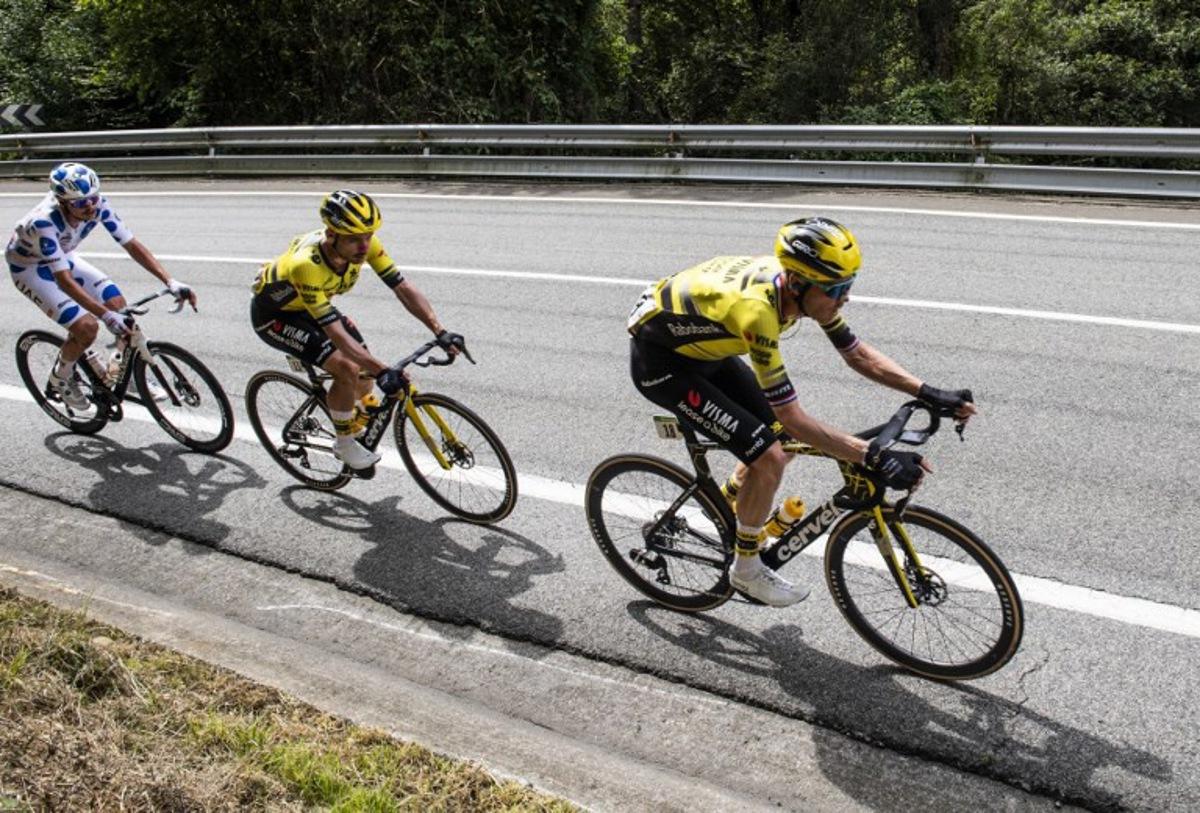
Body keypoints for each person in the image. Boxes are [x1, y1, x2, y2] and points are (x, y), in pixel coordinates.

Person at [627, 216, 976, 607]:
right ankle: (746, 570)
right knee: (771, 456)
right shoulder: (758, 313)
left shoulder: (797, 288)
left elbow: (858, 355)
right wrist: (872, 456)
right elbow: (793, 417)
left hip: (704, 350)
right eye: (837, 289)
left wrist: (928, 392)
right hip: (663, 365)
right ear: (797, 283)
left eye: (849, 285)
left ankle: (728, 503)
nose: (845, 298)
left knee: (785, 442)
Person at [250, 189, 464, 471]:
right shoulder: (306, 266)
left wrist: (439, 330)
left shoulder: (365, 245)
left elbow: (402, 287)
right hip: (275, 317)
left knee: (365, 371)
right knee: (347, 368)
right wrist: (383, 370)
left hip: (312, 307)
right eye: (353, 239)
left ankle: (354, 413)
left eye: (368, 236)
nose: (364, 246)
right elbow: (336, 334)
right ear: (331, 235)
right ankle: (344, 442)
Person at [6, 162, 196, 410]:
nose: (90, 206)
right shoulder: (44, 223)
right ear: (63, 202)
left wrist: (169, 281)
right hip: (30, 269)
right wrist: (105, 316)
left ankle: (122, 371)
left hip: (63, 256)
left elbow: (131, 245)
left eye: (93, 199)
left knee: (120, 307)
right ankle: (60, 378)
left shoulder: (97, 205)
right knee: (87, 327)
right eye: (80, 203)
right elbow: (64, 281)